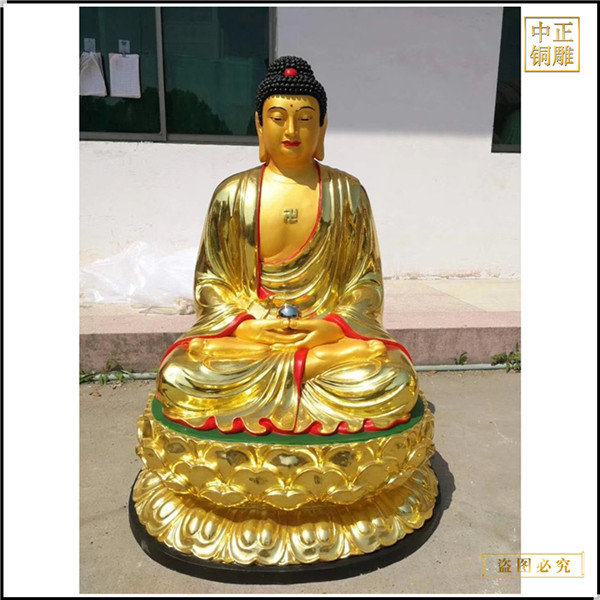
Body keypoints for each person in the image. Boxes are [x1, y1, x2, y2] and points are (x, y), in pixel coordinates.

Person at [156, 56, 418, 435]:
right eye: (278, 118)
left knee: (392, 375)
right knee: (181, 372)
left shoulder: (347, 193)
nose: (291, 130)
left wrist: (330, 327)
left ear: (322, 126)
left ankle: (296, 375)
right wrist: (247, 327)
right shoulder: (233, 194)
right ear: (260, 125)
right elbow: (210, 284)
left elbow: (366, 284)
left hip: (323, 336)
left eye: (305, 119)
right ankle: (304, 374)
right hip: (254, 335)